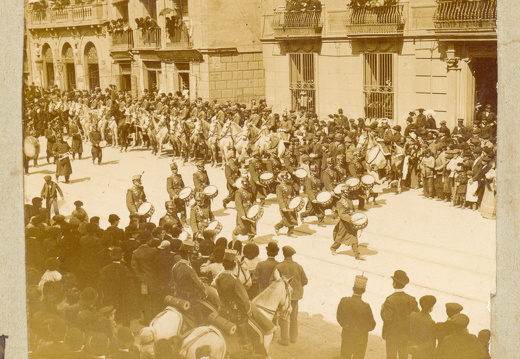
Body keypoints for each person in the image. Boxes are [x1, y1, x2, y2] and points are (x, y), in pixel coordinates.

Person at [214, 249, 276, 350]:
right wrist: (248, 311)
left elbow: (220, 294)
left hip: (223, 310)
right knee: (257, 333)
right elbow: (244, 299)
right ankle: (247, 344)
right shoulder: (235, 280)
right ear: (234, 265)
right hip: (236, 314)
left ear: (224, 264)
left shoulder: (219, 277)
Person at [273, 246, 308, 346]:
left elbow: (274, 280)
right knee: (294, 316)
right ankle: (293, 337)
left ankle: (284, 339)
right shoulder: (298, 266)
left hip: (284, 296)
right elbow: (305, 281)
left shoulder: (279, 266)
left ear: (283, 254)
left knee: (284, 316)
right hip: (295, 296)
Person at [380, 270, 419, 359]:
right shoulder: (411, 299)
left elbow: (387, 318)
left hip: (392, 334)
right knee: (403, 356)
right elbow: (416, 316)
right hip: (405, 334)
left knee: (391, 356)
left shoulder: (390, 300)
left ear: (394, 283)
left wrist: (382, 308)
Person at [336, 275, 376, 359]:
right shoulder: (365, 306)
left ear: (353, 288)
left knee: (345, 357)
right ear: (364, 291)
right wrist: (361, 329)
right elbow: (372, 325)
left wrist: (347, 326)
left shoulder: (344, 301)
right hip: (360, 338)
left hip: (347, 334)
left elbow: (339, 318)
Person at [100, 247, 138, 326]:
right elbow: (131, 286)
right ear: (121, 256)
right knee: (125, 316)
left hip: (111, 296)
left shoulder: (105, 269)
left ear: (111, 255)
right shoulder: (125, 269)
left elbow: (102, 285)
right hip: (124, 297)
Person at [131, 234, 159, 325]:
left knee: (146, 299)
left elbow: (134, 268)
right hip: (154, 279)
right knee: (155, 299)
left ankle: (147, 320)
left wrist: (141, 278)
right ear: (148, 240)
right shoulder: (154, 251)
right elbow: (157, 264)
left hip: (143, 281)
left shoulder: (135, 252)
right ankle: (156, 319)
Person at [330, 185, 362, 259]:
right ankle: (333, 248)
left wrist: (355, 216)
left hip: (351, 221)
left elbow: (353, 210)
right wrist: (350, 219)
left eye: (348, 191)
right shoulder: (340, 203)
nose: (348, 193)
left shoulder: (349, 200)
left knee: (354, 237)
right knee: (341, 237)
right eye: (346, 192)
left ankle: (356, 254)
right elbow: (342, 214)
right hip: (344, 223)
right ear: (342, 193)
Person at [232, 175, 257, 242]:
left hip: (250, 209)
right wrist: (242, 214)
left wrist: (255, 206)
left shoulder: (250, 190)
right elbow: (238, 204)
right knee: (242, 227)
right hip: (243, 210)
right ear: (241, 183)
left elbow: (253, 198)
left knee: (252, 225)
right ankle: (235, 232)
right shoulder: (239, 192)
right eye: (244, 184)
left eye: (247, 184)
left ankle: (251, 237)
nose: (245, 185)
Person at [274, 170, 299, 236]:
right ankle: (277, 226)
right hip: (285, 203)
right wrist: (283, 207)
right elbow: (280, 198)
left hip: (291, 203)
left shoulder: (290, 185)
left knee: (293, 217)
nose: (285, 179)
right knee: (286, 218)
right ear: (281, 178)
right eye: (284, 178)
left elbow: (296, 190)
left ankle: (290, 232)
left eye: (286, 178)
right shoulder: (279, 187)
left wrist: (292, 182)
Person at [166, 162, 187, 226]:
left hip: (181, 194)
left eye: (176, 169)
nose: (175, 170)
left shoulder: (179, 176)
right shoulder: (170, 178)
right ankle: (175, 222)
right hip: (175, 195)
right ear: (171, 170)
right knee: (175, 209)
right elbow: (169, 188)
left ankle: (183, 222)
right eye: (173, 169)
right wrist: (174, 195)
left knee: (183, 208)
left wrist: (185, 193)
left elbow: (182, 185)